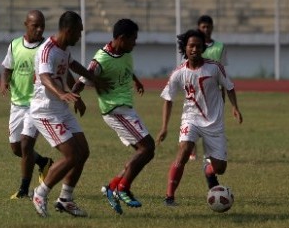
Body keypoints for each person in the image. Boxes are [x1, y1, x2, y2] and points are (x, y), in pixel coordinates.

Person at [72, 18, 155, 215]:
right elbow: (81, 81)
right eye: (133, 39)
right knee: (148, 147)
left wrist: (135, 80)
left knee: (142, 153)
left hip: (126, 109)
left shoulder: (125, 52)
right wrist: (76, 98)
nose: (135, 43)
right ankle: (123, 188)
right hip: (115, 110)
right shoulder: (101, 59)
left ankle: (112, 186)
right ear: (121, 38)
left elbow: (125, 68)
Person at [30, 11, 108, 218]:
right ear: (69, 30)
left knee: (83, 152)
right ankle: (40, 193)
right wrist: (62, 93)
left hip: (61, 108)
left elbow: (70, 66)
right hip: (45, 110)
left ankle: (65, 199)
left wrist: (83, 86)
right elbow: (44, 76)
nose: (80, 36)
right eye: (79, 32)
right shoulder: (47, 50)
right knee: (71, 155)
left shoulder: (63, 49)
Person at [156, 29, 243, 206]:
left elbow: (229, 87)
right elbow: (168, 99)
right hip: (191, 118)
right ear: (185, 48)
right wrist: (164, 127)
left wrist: (235, 107)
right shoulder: (178, 73)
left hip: (214, 122)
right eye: (191, 46)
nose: (194, 49)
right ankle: (169, 197)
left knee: (220, 168)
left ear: (203, 47)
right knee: (185, 150)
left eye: (198, 46)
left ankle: (208, 169)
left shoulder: (215, 67)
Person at [0, 10, 53, 199]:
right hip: (17, 103)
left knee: (25, 145)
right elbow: (7, 68)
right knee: (16, 148)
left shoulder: (46, 48)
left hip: (36, 103)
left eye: (42, 26)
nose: (39, 30)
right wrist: (4, 82)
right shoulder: (15, 45)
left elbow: (53, 71)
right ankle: (44, 162)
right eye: (35, 26)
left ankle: (23, 190)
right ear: (26, 25)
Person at [188, 15, 229, 161]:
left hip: (214, 90)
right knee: (192, 118)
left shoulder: (219, 47)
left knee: (212, 122)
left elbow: (222, 71)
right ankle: (192, 150)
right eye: (203, 27)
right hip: (196, 90)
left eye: (208, 27)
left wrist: (223, 94)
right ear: (199, 28)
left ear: (212, 28)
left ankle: (212, 151)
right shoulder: (193, 45)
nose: (206, 29)